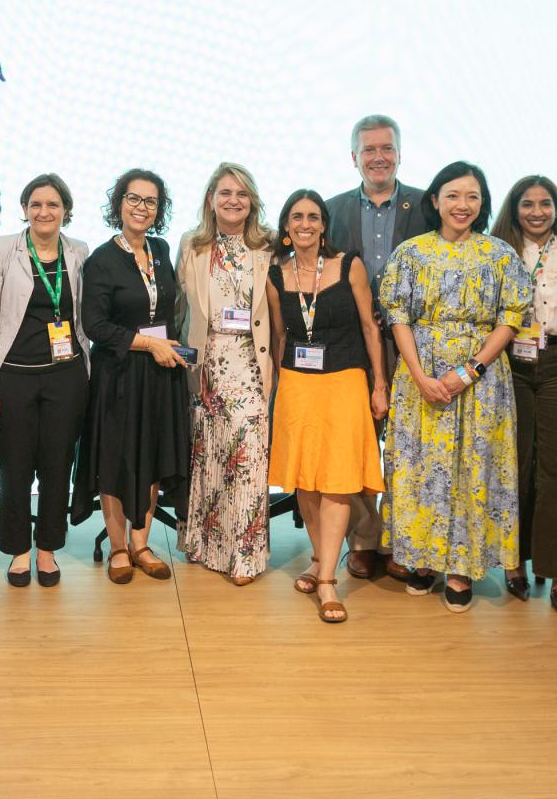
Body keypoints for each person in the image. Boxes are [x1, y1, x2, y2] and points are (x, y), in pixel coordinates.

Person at [377, 162, 530, 613]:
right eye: (454, 195)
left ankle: (461, 567)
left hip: (480, 381)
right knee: (421, 466)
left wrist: (470, 370)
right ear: (435, 201)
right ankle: (423, 559)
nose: (462, 205)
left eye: (473, 197)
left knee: (471, 469)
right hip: (418, 376)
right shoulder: (411, 252)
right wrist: (420, 375)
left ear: (482, 204)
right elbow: (397, 316)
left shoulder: (499, 253)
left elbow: (511, 317)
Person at [265, 190, 387, 623]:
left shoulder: (348, 265)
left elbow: (371, 330)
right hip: (297, 384)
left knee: (336, 480)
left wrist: (380, 384)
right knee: (305, 481)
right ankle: (321, 560)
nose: (305, 224)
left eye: (313, 217)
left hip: (345, 381)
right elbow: (280, 337)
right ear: (285, 227)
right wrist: (275, 391)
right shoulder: (275, 276)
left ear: (324, 225)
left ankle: (329, 581)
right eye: (296, 217)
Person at [324, 113, 430, 580]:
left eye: (386, 149)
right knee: (359, 439)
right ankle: (365, 539)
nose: (378, 157)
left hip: (417, 344)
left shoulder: (428, 205)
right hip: (353, 342)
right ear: (354, 158)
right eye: (369, 150)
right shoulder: (332, 209)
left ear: (399, 155)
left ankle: (402, 539)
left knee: (409, 444)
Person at [75, 169, 193, 585]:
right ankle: (118, 546)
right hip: (120, 376)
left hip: (161, 374)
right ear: (118, 203)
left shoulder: (160, 250)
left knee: (154, 455)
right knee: (117, 459)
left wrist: (173, 347)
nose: (142, 208)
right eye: (134, 199)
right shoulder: (102, 260)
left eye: (150, 202)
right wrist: (150, 345)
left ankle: (141, 544)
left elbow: (167, 312)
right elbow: (95, 326)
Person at [0, 174, 90, 586]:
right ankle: (18, 551)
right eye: (36, 204)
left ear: (66, 211)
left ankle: (47, 550)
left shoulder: (79, 252)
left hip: (67, 375)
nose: (44, 211)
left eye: (53, 205)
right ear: (24, 209)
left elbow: (83, 319)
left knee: (58, 466)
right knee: (16, 468)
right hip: (13, 378)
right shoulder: (2, 250)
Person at [489, 175, 557, 612]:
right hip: (508, 366)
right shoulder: (495, 252)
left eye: (545, 203)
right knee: (515, 467)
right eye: (528, 204)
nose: (537, 212)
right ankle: (513, 562)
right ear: (514, 210)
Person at [178, 163, 277, 585]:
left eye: (241, 193)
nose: (233, 200)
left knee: (249, 457)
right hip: (207, 363)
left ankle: (245, 557)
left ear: (251, 200)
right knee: (210, 456)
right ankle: (204, 545)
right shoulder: (192, 245)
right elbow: (181, 308)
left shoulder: (268, 246)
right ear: (210, 199)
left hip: (251, 363)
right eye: (224, 193)